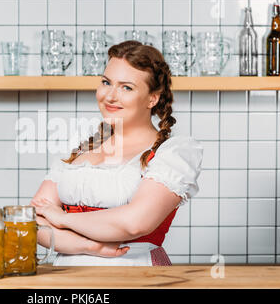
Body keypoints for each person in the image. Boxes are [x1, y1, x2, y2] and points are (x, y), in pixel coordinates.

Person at [30, 40, 203, 266]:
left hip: (137, 275)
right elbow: (33, 220)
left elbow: (135, 223)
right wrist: (91, 247)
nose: (110, 96)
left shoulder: (170, 154)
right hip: (68, 279)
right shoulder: (81, 152)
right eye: (106, 82)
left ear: (153, 98)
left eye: (126, 87)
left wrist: (62, 218)